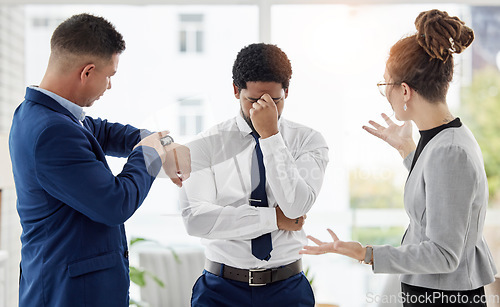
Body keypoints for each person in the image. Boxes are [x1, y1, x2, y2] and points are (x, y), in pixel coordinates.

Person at [300, 9, 497, 307]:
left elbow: (444, 254)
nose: (386, 95)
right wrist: (407, 151)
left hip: (444, 298)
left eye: (385, 86)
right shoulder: (441, 140)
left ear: (404, 90)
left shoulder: (449, 150)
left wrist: (365, 253)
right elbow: (439, 199)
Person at [9, 13, 190, 306]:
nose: (109, 86)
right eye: (109, 76)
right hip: (69, 294)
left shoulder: (42, 114)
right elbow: (115, 203)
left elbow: (101, 131)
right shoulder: (53, 131)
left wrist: (157, 139)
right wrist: (151, 153)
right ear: (87, 72)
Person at [180, 43, 329, 306]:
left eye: (275, 100)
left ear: (287, 91)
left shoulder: (308, 140)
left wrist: (271, 136)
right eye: (254, 100)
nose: (264, 108)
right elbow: (196, 220)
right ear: (236, 90)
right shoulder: (205, 144)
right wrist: (273, 218)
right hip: (219, 290)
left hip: (287, 290)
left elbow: (295, 206)